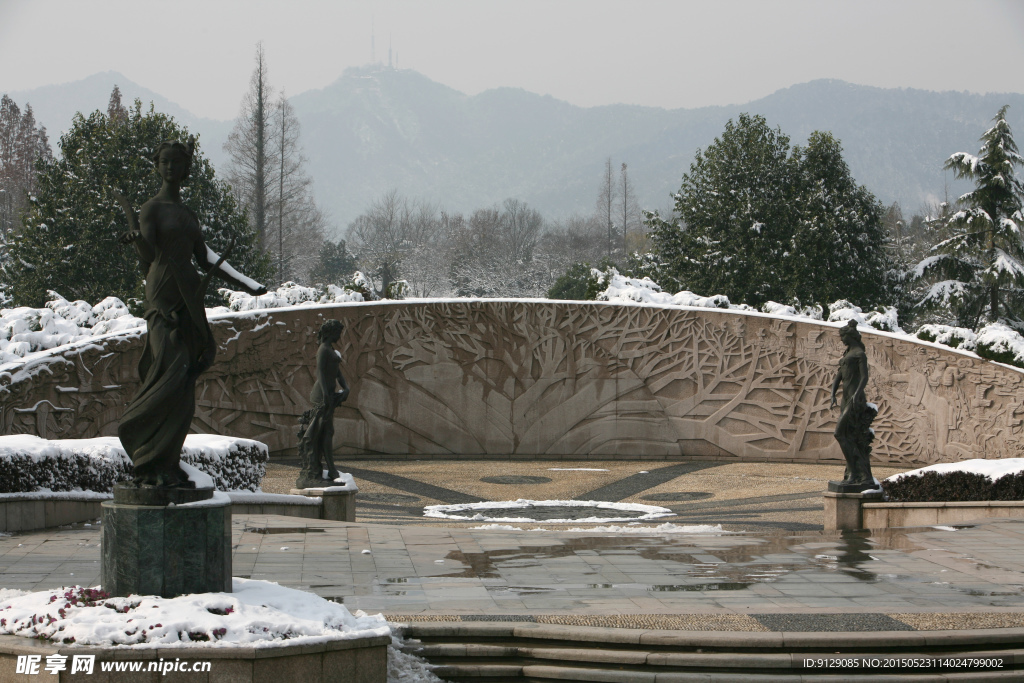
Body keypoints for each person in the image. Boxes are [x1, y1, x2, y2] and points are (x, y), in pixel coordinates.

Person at [116, 138, 267, 487]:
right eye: (165, 161)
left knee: (185, 380)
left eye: (176, 162)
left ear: (186, 169)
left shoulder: (188, 214)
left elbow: (206, 258)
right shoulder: (150, 209)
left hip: (190, 294)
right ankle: (146, 458)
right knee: (168, 369)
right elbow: (149, 255)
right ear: (158, 165)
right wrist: (135, 239)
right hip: (163, 294)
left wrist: (247, 283)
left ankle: (167, 461)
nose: (171, 168)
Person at [296, 319, 350, 488]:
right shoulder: (323, 350)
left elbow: (337, 372)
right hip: (321, 396)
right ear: (330, 332)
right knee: (319, 433)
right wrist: (327, 396)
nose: (339, 335)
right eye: (338, 332)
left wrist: (346, 388)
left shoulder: (331, 350)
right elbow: (319, 373)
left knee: (327, 432)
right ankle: (317, 471)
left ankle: (332, 471)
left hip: (330, 395)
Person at [830, 320, 877, 490]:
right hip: (845, 399)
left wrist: (857, 394)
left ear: (850, 336)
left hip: (854, 399)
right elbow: (839, 376)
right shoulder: (847, 354)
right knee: (848, 435)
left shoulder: (859, 354)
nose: (842, 340)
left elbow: (864, 377)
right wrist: (832, 394)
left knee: (839, 433)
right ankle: (852, 471)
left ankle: (856, 474)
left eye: (843, 336)